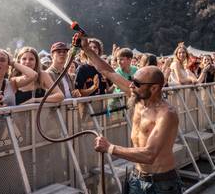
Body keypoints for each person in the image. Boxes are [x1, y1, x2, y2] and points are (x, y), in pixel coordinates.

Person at [73, 34, 182, 194]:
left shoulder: (166, 114)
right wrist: (87, 49)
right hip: (136, 178)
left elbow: (149, 154)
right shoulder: (137, 97)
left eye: (136, 84)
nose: (131, 86)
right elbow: (108, 72)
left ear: (154, 88)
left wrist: (110, 148)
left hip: (161, 184)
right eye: (132, 81)